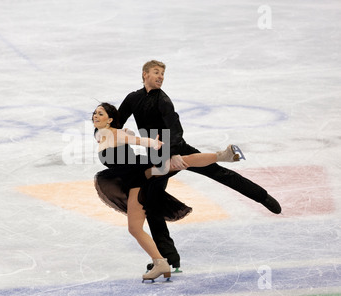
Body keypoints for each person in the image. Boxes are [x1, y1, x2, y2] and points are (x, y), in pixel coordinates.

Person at [117, 60, 282, 271]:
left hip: (176, 149)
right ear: (144, 74)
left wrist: (174, 153)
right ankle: (169, 258)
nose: (160, 77)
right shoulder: (133, 98)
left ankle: (262, 196)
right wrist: (103, 131)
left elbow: (175, 128)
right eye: (156, 72)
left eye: (163, 74)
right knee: (152, 203)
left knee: (217, 172)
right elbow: (116, 122)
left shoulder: (163, 100)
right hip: (155, 158)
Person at [92, 102, 243, 281]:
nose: (95, 115)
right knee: (135, 228)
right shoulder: (102, 134)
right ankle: (160, 263)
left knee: (178, 163)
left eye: (100, 114)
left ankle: (223, 156)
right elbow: (119, 138)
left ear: (109, 120)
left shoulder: (112, 134)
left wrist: (152, 142)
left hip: (142, 173)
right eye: (94, 113)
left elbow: (137, 141)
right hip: (135, 179)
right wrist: (127, 133)